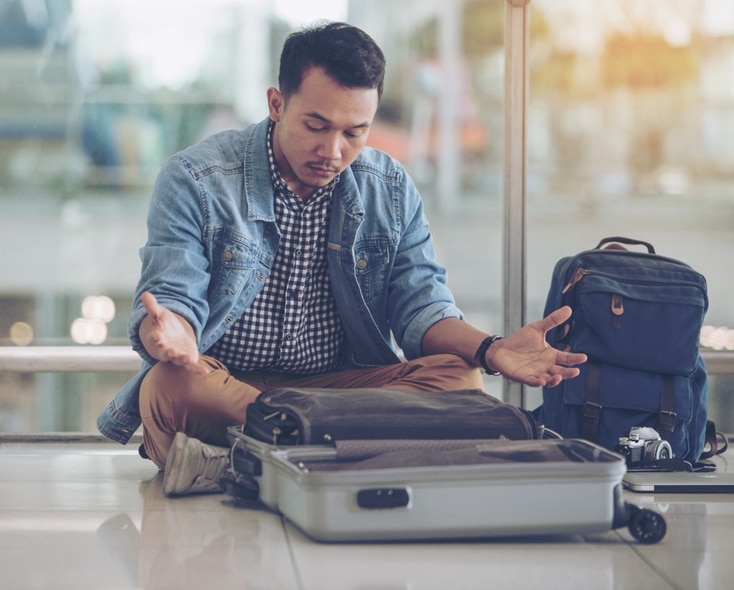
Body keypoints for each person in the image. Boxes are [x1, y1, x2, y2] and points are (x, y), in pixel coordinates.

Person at [96, 21, 586, 496]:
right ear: (276, 103)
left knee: (459, 379)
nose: (332, 150)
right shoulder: (197, 179)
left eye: (355, 133)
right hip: (226, 384)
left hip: (336, 391)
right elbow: (171, 298)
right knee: (167, 387)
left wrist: (491, 349)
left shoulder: (389, 187)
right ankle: (344, 457)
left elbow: (422, 307)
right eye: (316, 125)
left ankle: (241, 464)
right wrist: (173, 333)